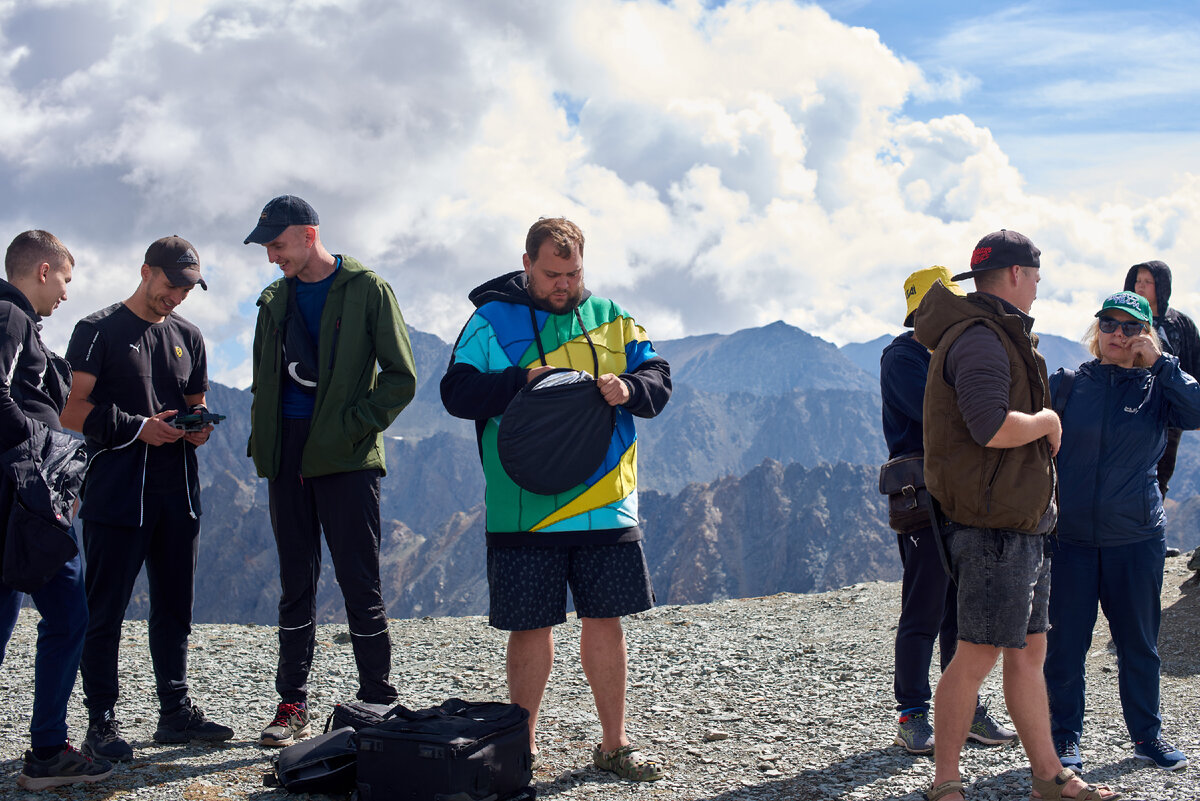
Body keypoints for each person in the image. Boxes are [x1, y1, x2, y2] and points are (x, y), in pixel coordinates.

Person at [440, 217, 672, 781]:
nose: (563, 285)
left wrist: (631, 387)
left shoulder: (613, 317)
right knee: (530, 627)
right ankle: (522, 748)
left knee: (605, 621)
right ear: (526, 264)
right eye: (551, 275)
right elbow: (456, 392)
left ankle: (614, 745)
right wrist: (520, 379)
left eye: (572, 273)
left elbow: (659, 378)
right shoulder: (492, 320)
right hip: (522, 505)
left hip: (606, 503)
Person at [912, 230, 1120, 801]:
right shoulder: (981, 339)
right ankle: (946, 784)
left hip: (1017, 525)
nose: (1037, 287)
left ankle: (1049, 778)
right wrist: (1048, 421)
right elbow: (991, 426)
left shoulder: (991, 332)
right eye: (1035, 275)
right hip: (993, 529)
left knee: (1029, 653)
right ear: (1015, 275)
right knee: (976, 653)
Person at [244, 195, 418, 746]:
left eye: (277, 244)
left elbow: (401, 376)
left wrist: (352, 425)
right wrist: (266, 441)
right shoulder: (274, 300)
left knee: (359, 579)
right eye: (268, 247)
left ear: (307, 234)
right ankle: (291, 703)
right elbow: (263, 378)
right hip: (287, 454)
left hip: (345, 454)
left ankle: (377, 698)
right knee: (296, 581)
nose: (272, 257)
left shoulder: (368, 290)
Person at [61, 236, 232, 762]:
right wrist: (138, 429)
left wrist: (198, 430)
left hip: (178, 492)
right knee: (104, 608)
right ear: (146, 271)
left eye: (187, 288)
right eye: (171, 284)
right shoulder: (97, 330)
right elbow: (69, 409)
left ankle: (175, 712)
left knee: (175, 604)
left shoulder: (189, 335)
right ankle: (101, 720)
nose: (177, 296)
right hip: (117, 493)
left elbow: (195, 405)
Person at [1046, 291, 1197, 773]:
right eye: (1109, 324)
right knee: (1066, 646)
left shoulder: (1159, 387)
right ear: (1097, 330)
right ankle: (1064, 738)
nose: (1118, 334)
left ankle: (1147, 738)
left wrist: (1163, 364)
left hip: (1136, 539)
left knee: (1139, 644)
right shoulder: (1068, 384)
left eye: (1130, 327)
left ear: (1146, 334)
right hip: (1069, 540)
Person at [880, 266, 1016, 755]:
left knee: (961, 607)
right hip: (924, 499)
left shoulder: (944, 352)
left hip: (958, 496)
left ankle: (965, 707)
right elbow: (937, 415)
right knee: (924, 607)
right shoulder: (904, 357)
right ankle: (912, 713)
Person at [0, 231, 112, 789]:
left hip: (18, 496)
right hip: (25, 500)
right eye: (66, 279)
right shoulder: (9, 315)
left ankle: (48, 749)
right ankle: (46, 752)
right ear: (43, 271)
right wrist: (42, 447)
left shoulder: (22, 326)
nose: (67, 293)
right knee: (68, 615)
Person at [1124, 261, 1200, 499]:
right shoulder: (1123, 320)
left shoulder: (1180, 325)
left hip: (1170, 411)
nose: (1141, 287)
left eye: (1148, 282)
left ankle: (1152, 524)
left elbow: (1195, 364)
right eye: (1138, 281)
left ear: (1162, 286)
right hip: (1128, 407)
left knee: (1159, 477)